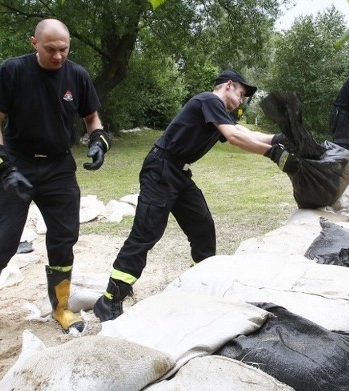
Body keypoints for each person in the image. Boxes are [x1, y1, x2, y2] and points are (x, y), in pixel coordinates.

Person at [92, 70, 298, 322]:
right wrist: (274, 154)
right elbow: (234, 137)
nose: (242, 100)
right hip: (161, 169)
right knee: (146, 233)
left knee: (202, 227)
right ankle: (110, 300)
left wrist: (278, 139)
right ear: (229, 85)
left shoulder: (218, 112)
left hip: (178, 173)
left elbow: (240, 132)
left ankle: (201, 286)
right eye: (242, 94)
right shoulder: (209, 101)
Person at [0, 19, 110, 342]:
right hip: (17, 164)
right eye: (51, 49)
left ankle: (61, 307)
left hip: (58, 167)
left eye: (63, 49)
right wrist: (1, 165)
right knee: (0, 240)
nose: (58, 56)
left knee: (63, 238)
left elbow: (91, 117)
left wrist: (98, 140)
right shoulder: (13, 72)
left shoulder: (77, 76)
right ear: (34, 43)